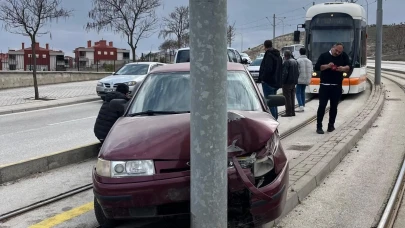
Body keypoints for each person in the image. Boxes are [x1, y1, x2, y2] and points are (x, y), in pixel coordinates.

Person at [315, 42, 351, 134]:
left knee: (334, 107)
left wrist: (343, 68)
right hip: (324, 85)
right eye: (336, 51)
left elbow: (349, 66)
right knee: (322, 106)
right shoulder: (324, 56)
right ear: (333, 47)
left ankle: (331, 125)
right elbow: (317, 67)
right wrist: (327, 66)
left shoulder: (343, 56)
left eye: (340, 52)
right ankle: (319, 126)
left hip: (337, 86)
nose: (338, 53)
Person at [258, 40, 283, 120]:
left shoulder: (268, 55)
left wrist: (263, 79)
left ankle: (272, 120)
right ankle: (275, 118)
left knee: (270, 103)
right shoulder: (278, 56)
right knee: (274, 102)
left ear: (265, 46)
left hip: (268, 82)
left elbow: (268, 69)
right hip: (276, 82)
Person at [281, 50, 299, 117]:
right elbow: (298, 72)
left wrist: (282, 82)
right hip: (293, 82)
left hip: (287, 82)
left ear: (285, 56)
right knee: (292, 97)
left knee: (287, 98)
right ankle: (292, 111)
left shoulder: (287, 62)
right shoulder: (295, 61)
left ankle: (288, 112)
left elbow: (285, 73)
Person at [295, 48, 313, 112]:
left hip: (299, 78)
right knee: (303, 91)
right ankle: (303, 104)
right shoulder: (309, 61)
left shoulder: (298, 60)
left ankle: (300, 106)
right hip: (306, 79)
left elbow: (297, 71)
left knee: (298, 92)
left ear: (300, 52)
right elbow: (311, 71)